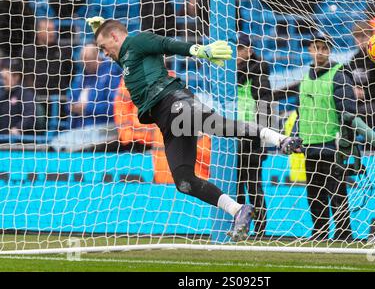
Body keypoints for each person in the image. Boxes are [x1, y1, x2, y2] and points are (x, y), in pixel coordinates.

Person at [88, 16, 302, 240]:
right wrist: (100, 29)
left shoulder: (138, 41)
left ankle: (279, 139)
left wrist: (201, 50)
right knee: (184, 181)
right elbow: (119, 52)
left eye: (103, 48)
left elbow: (166, 44)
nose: (104, 53)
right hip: (167, 123)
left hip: (174, 102)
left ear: (115, 37)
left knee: (219, 126)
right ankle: (238, 210)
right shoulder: (127, 59)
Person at [284, 31, 354, 241]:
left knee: (337, 193)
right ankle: (320, 232)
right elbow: (300, 112)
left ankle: (344, 234)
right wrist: (296, 136)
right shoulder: (305, 78)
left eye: (324, 48)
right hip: (311, 144)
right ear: (310, 50)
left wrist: (345, 140)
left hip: (332, 144)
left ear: (329, 50)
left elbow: (348, 112)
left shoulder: (339, 75)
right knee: (314, 194)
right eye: (316, 48)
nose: (320, 52)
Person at [236, 34, 272, 238]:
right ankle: (239, 226)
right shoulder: (229, 75)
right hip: (232, 138)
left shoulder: (258, 75)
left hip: (252, 138)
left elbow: (265, 108)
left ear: (249, 51)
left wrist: (262, 139)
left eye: (241, 49)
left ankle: (260, 229)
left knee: (253, 185)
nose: (237, 53)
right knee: (238, 186)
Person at [67, 43, 121, 129]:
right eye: (83, 63)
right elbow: (71, 99)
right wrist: (72, 106)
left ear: (97, 58)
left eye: (88, 63)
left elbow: (114, 106)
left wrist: (87, 107)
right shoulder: (81, 76)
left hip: (103, 128)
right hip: (78, 127)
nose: (85, 67)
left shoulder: (111, 74)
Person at [0, 60, 37, 140]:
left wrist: (18, 128)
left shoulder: (26, 94)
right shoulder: (2, 94)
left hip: (18, 142)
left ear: (16, 77)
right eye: (2, 78)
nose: (3, 82)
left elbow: (30, 115)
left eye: (5, 78)